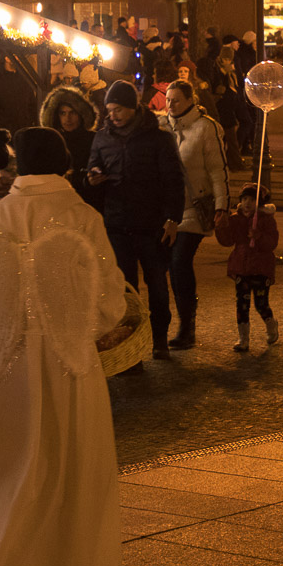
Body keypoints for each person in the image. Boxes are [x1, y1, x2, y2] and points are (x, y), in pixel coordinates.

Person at [0, 127, 126, 566]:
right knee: (68, 469)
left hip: (10, 365)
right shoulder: (82, 216)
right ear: (64, 161)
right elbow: (108, 298)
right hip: (69, 362)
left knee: (11, 471)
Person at [88, 80, 184, 361]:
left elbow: (173, 181)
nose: (113, 115)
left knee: (156, 284)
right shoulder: (102, 138)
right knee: (125, 290)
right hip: (117, 224)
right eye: (110, 110)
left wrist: (172, 218)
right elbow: (92, 166)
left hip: (151, 224)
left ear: (132, 108)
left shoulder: (158, 139)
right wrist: (92, 176)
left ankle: (159, 339)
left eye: (118, 109)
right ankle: (131, 349)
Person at [162, 79, 228, 350]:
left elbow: (217, 169)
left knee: (180, 261)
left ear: (190, 100)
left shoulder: (205, 128)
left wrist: (222, 205)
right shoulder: (161, 126)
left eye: (176, 100)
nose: (170, 104)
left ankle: (187, 326)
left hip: (194, 207)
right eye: (168, 99)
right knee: (171, 266)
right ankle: (179, 322)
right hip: (168, 210)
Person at [215, 185, 279, 353]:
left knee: (261, 304)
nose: (247, 203)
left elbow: (272, 243)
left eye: (252, 200)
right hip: (241, 267)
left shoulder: (266, 219)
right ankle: (243, 339)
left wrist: (259, 236)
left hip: (261, 267)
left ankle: (271, 325)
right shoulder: (236, 219)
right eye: (244, 199)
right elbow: (228, 240)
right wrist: (221, 227)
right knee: (242, 304)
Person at [41, 85, 100, 197]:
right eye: (63, 113)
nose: (67, 118)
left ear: (81, 114)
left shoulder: (94, 139)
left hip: (87, 197)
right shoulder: (51, 142)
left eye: (72, 112)